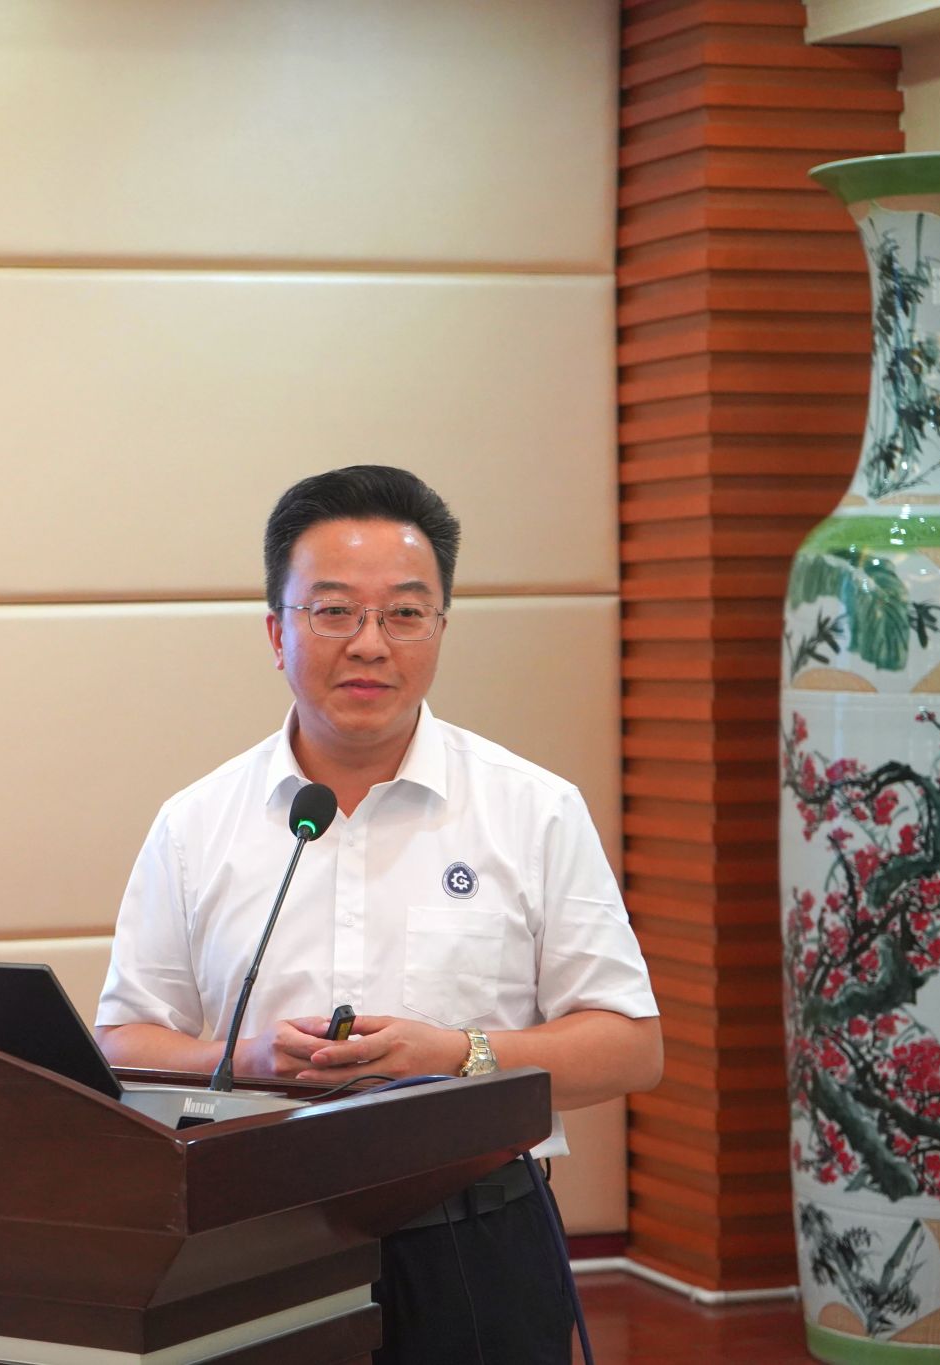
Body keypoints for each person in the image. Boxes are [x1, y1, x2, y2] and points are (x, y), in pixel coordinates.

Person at [94, 465, 661, 1365]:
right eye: (333, 611)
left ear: (440, 628)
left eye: (403, 613)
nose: (369, 643)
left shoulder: (533, 808)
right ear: (276, 631)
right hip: (253, 1238)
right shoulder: (196, 823)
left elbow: (630, 1046)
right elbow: (123, 1044)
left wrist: (458, 1054)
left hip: (477, 1241)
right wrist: (241, 1061)